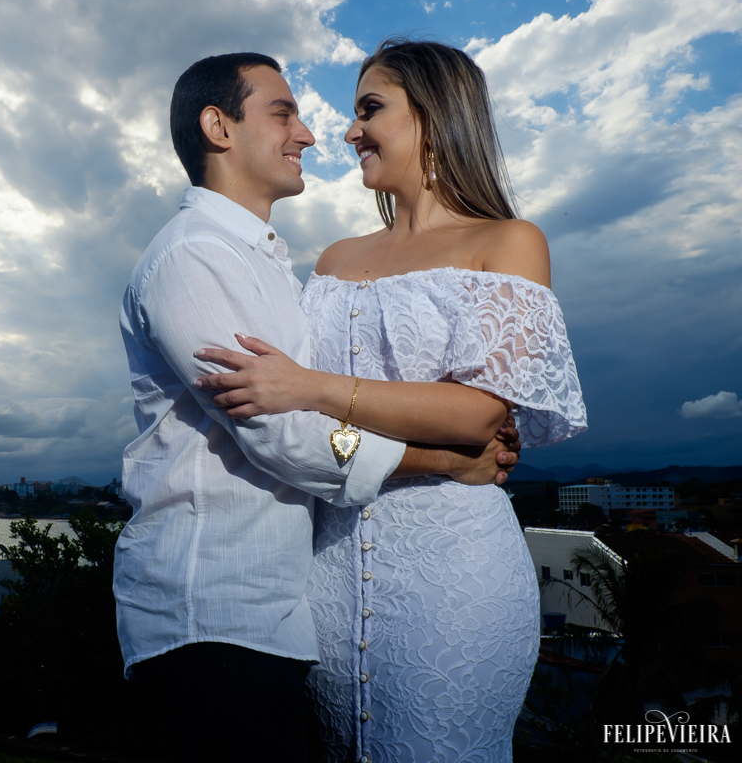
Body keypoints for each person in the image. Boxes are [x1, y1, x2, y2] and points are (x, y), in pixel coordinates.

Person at [115, 51, 523, 763]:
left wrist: (462, 412)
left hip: (283, 609)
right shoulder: (191, 259)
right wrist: (441, 459)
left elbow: (331, 400)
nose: (309, 134)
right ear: (219, 127)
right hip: (210, 611)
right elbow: (285, 436)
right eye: (283, 113)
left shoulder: (267, 264)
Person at [193, 39, 588, 762]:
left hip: (457, 578)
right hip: (326, 574)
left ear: (435, 117)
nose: (347, 133)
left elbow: (477, 416)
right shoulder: (335, 260)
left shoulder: (509, 241)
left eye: (370, 109)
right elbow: (292, 415)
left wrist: (312, 387)